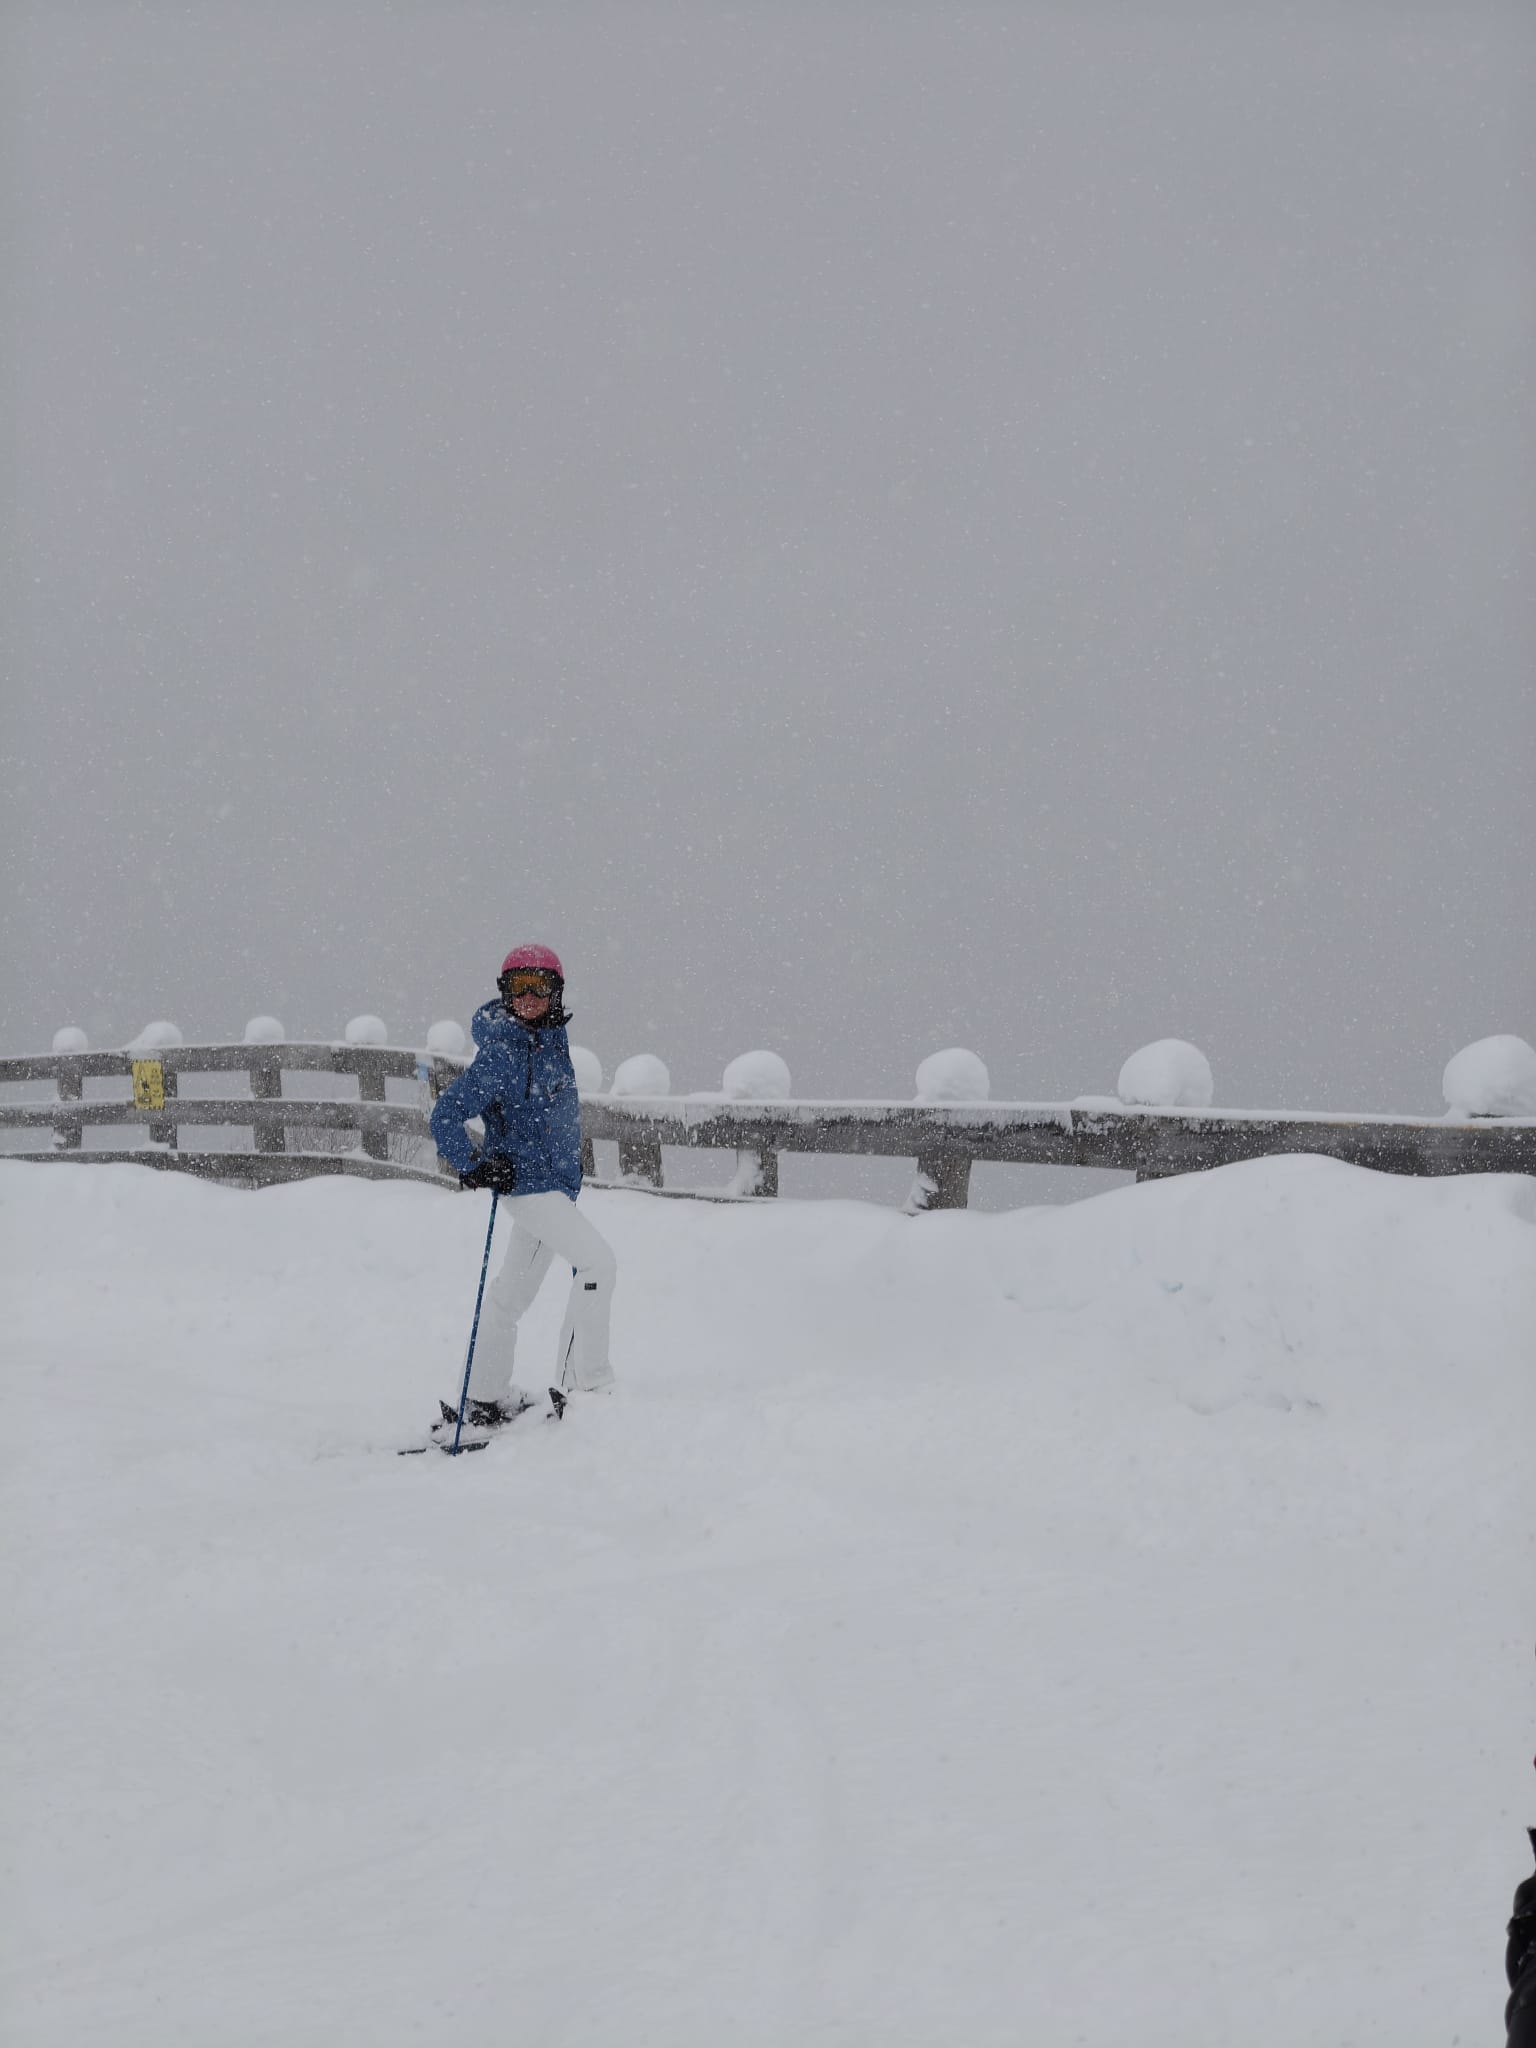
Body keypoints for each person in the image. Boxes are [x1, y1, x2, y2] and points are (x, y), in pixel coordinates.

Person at [429, 944, 616, 1430]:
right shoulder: (501, 1053)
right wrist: (475, 1165)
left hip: (555, 1186)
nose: (528, 997)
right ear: (504, 992)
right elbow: (445, 1115)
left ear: (557, 993)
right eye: (517, 987)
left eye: (539, 986)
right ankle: (586, 1388)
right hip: (530, 1187)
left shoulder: (552, 1040)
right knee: (597, 1263)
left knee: (510, 1297)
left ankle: (483, 1396)